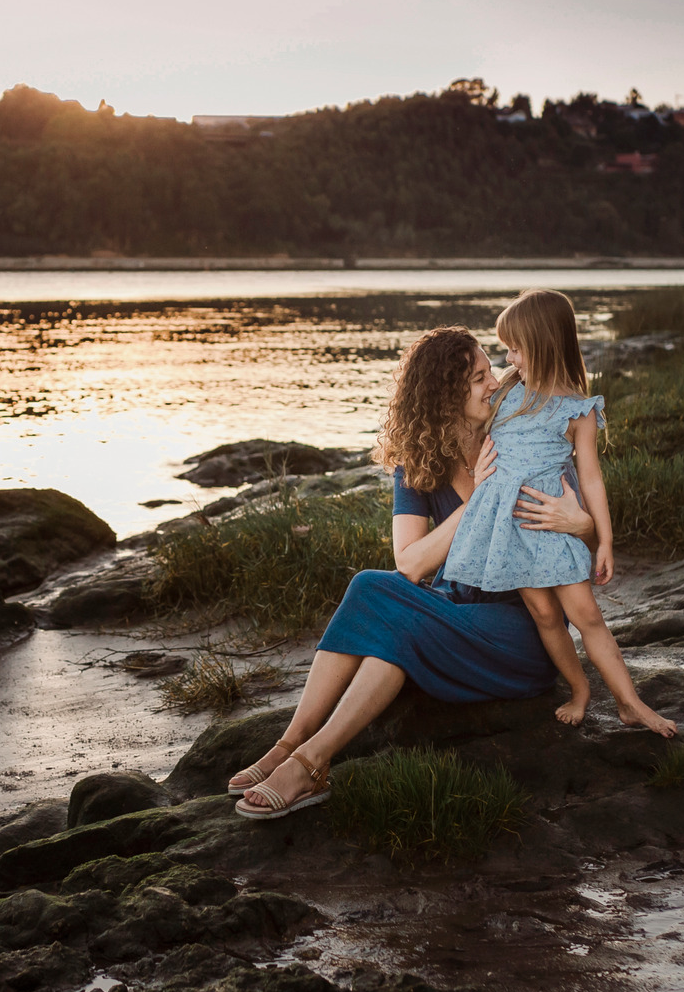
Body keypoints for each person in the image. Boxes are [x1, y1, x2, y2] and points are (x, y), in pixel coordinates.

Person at [230, 325, 598, 820]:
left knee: (387, 616)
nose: (495, 384)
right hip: (451, 612)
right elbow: (411, 562)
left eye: (491, 371)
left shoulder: (519, 437)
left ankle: (310, 761)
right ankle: (293, 746)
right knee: (373, 590)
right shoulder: (420, 463)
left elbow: (583, 543)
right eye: (477, 378)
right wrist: (477, 500)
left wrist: (584, 524)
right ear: (445, 394)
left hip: (523, 631)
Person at [442, 289, 675, 737]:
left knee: (586, 616)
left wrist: (603, 540)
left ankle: (630, 703)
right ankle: (579, 688)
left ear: (544, 344)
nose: (509, 357)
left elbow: (591, 479)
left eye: (516, 348)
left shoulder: (577, 409)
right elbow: (465, 423)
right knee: (545, 616)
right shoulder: (509, 387)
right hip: (511, 524)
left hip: (552, 522)